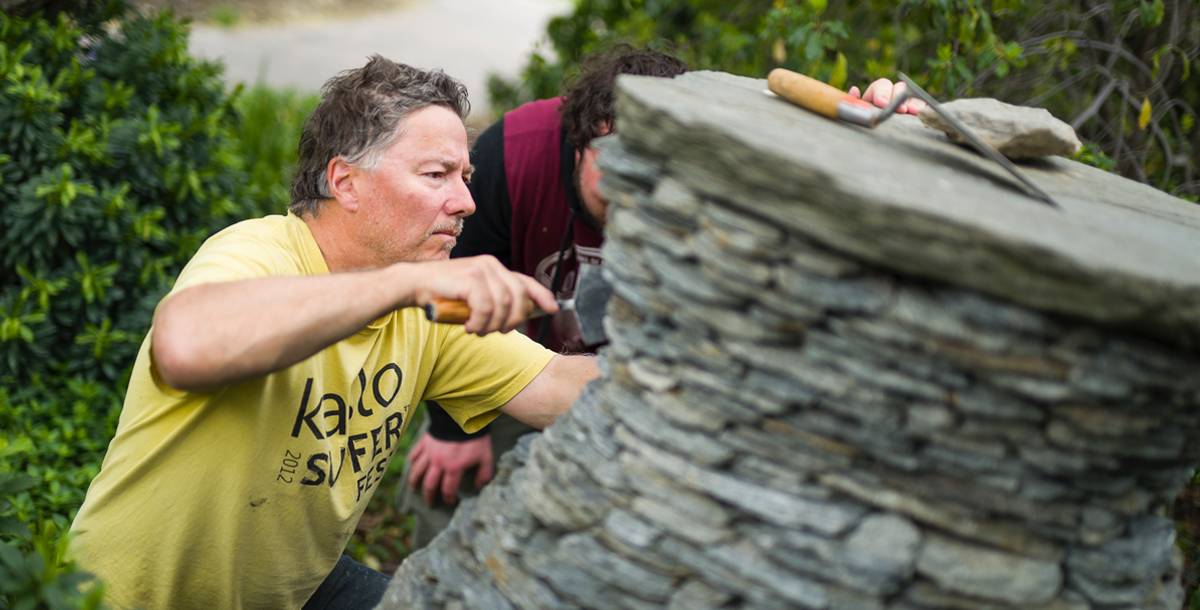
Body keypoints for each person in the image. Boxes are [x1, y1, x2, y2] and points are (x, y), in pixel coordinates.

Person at [68, 55, 598, 610]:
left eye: (465, 179)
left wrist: (683, 359)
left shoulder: (426, 303)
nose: (466, 202)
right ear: (345, 181)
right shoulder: (259, 250)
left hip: (296, 591)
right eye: (436, 175)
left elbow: (562, 388)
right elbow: (185, 346)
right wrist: (400, 287)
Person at [399, 45, 928, 546]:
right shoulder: (512, 153)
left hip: (672, 373)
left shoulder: (719, 165)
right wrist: (453, 426)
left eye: (656, 164)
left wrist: (894, 144)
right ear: (579, 140)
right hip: (521, 362)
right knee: (447, 481)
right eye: (617, 162)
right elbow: (456, 293)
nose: (638, 186)